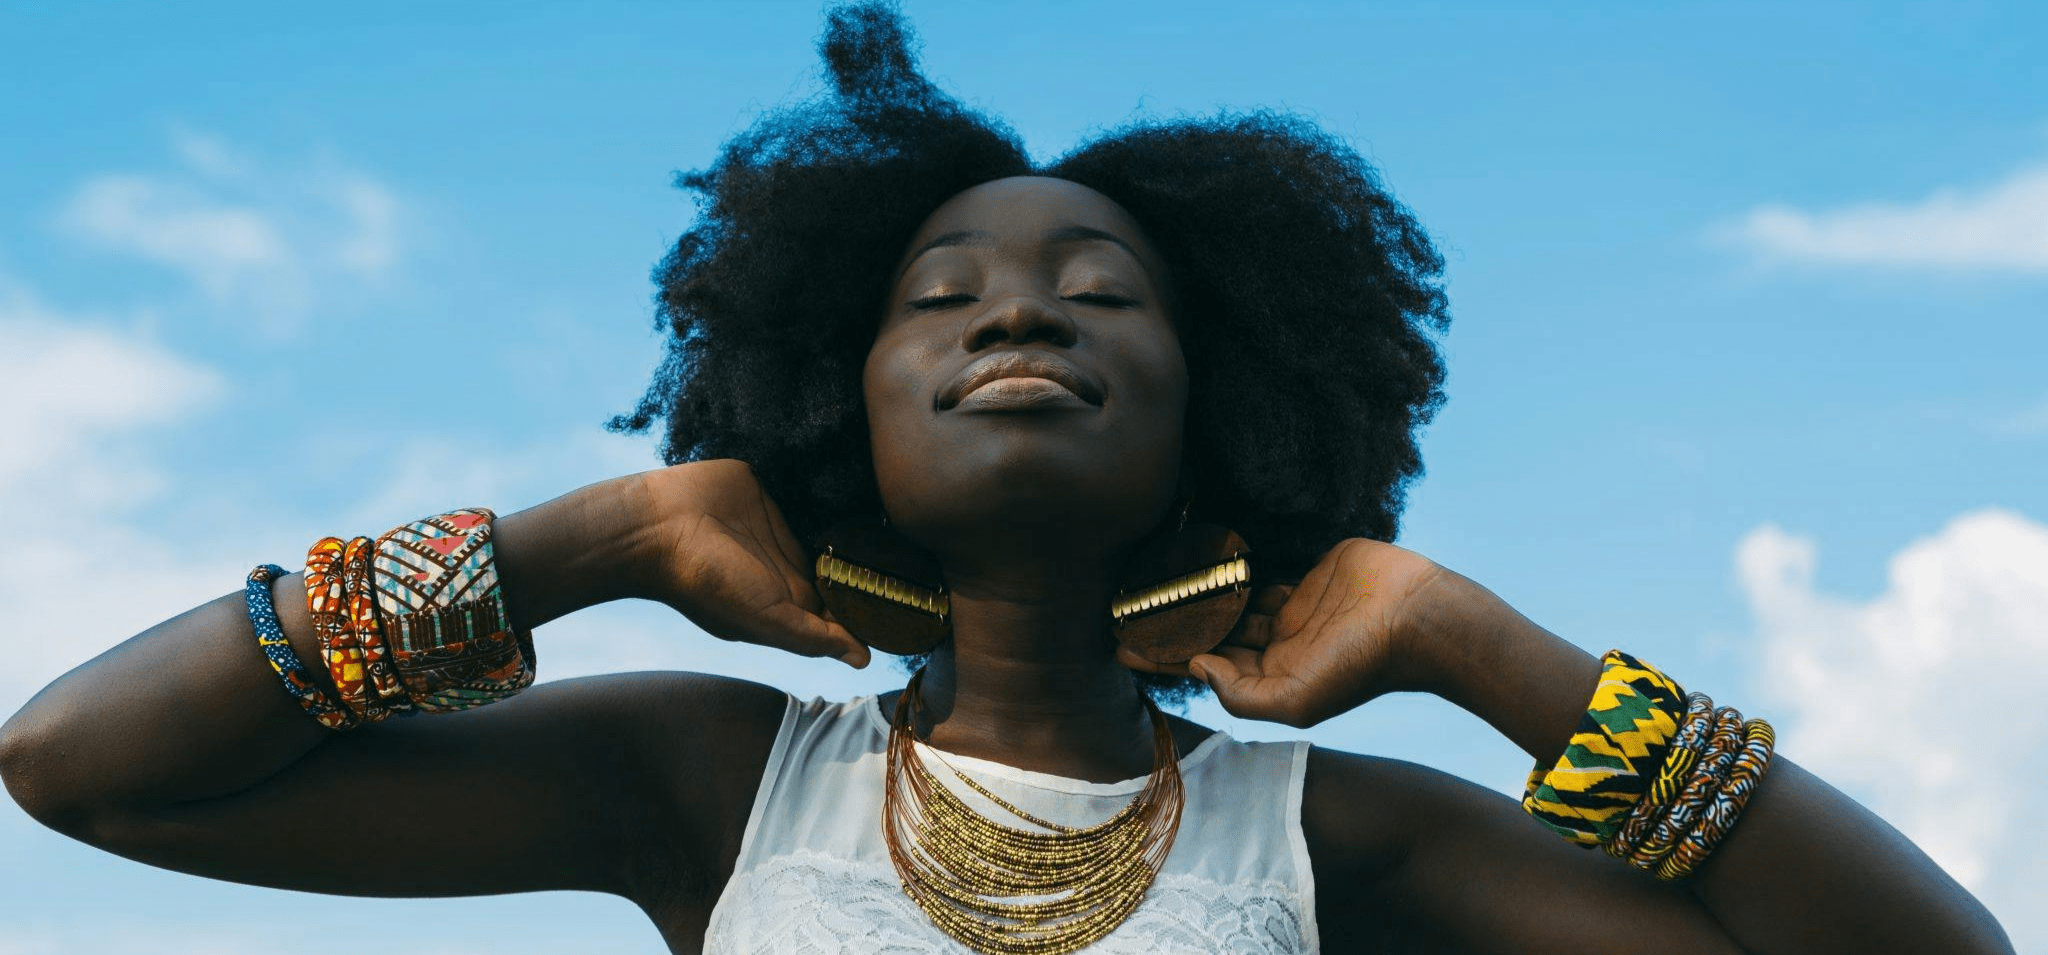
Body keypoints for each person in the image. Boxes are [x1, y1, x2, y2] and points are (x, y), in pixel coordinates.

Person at [0, 5, 2014, 954]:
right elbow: (82, 765)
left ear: (1223, 412)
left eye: (1098, 291)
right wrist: (584, 541)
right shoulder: (713, 788)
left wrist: (1487, 655)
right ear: (833, 403)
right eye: (935, 294)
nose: (1011, 318)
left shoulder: (1337, 845)